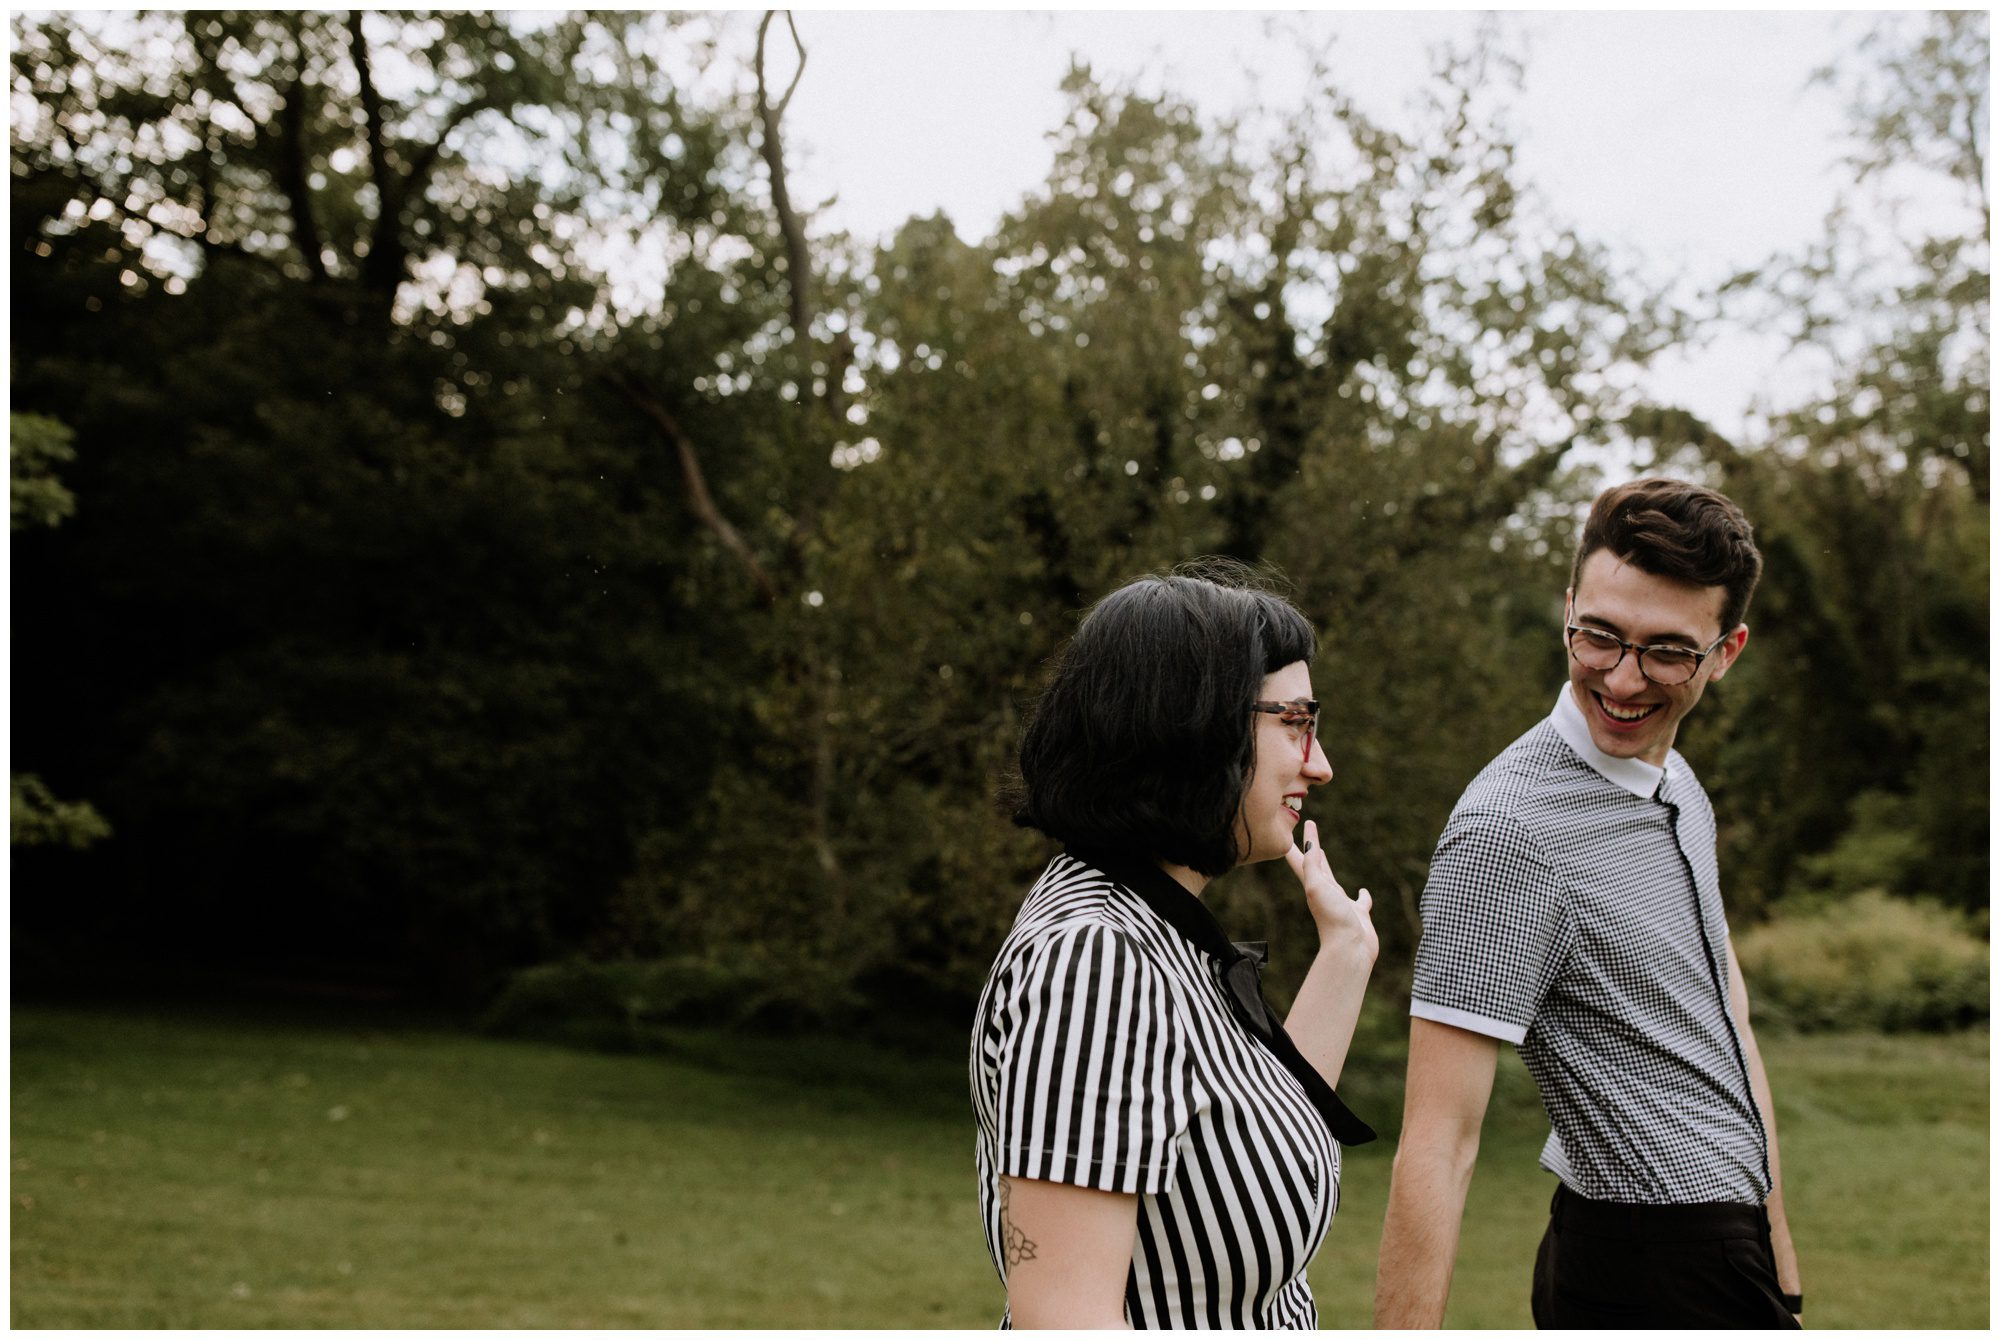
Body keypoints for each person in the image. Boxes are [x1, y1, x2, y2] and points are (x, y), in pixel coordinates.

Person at [1374, 477, 1804, 1328]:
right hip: (1642, 1261)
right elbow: (1438, 1141)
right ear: (1568, 607)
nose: (1622, 678)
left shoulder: (1679, 784)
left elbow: (1728, 1015)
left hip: (1728, 1242)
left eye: (1668, 651)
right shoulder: (1508, 831)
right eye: (1599, 635)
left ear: (1728, 650)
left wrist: (1777, 1249)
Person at [970, 564, 1379, 1328]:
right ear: (1195, 726)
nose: (1319, 763)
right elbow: (1067, 1320)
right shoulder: (1094, 962)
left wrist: (1347, 954)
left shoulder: (1160, 929)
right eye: (1295, 723)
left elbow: (1262, 1132)